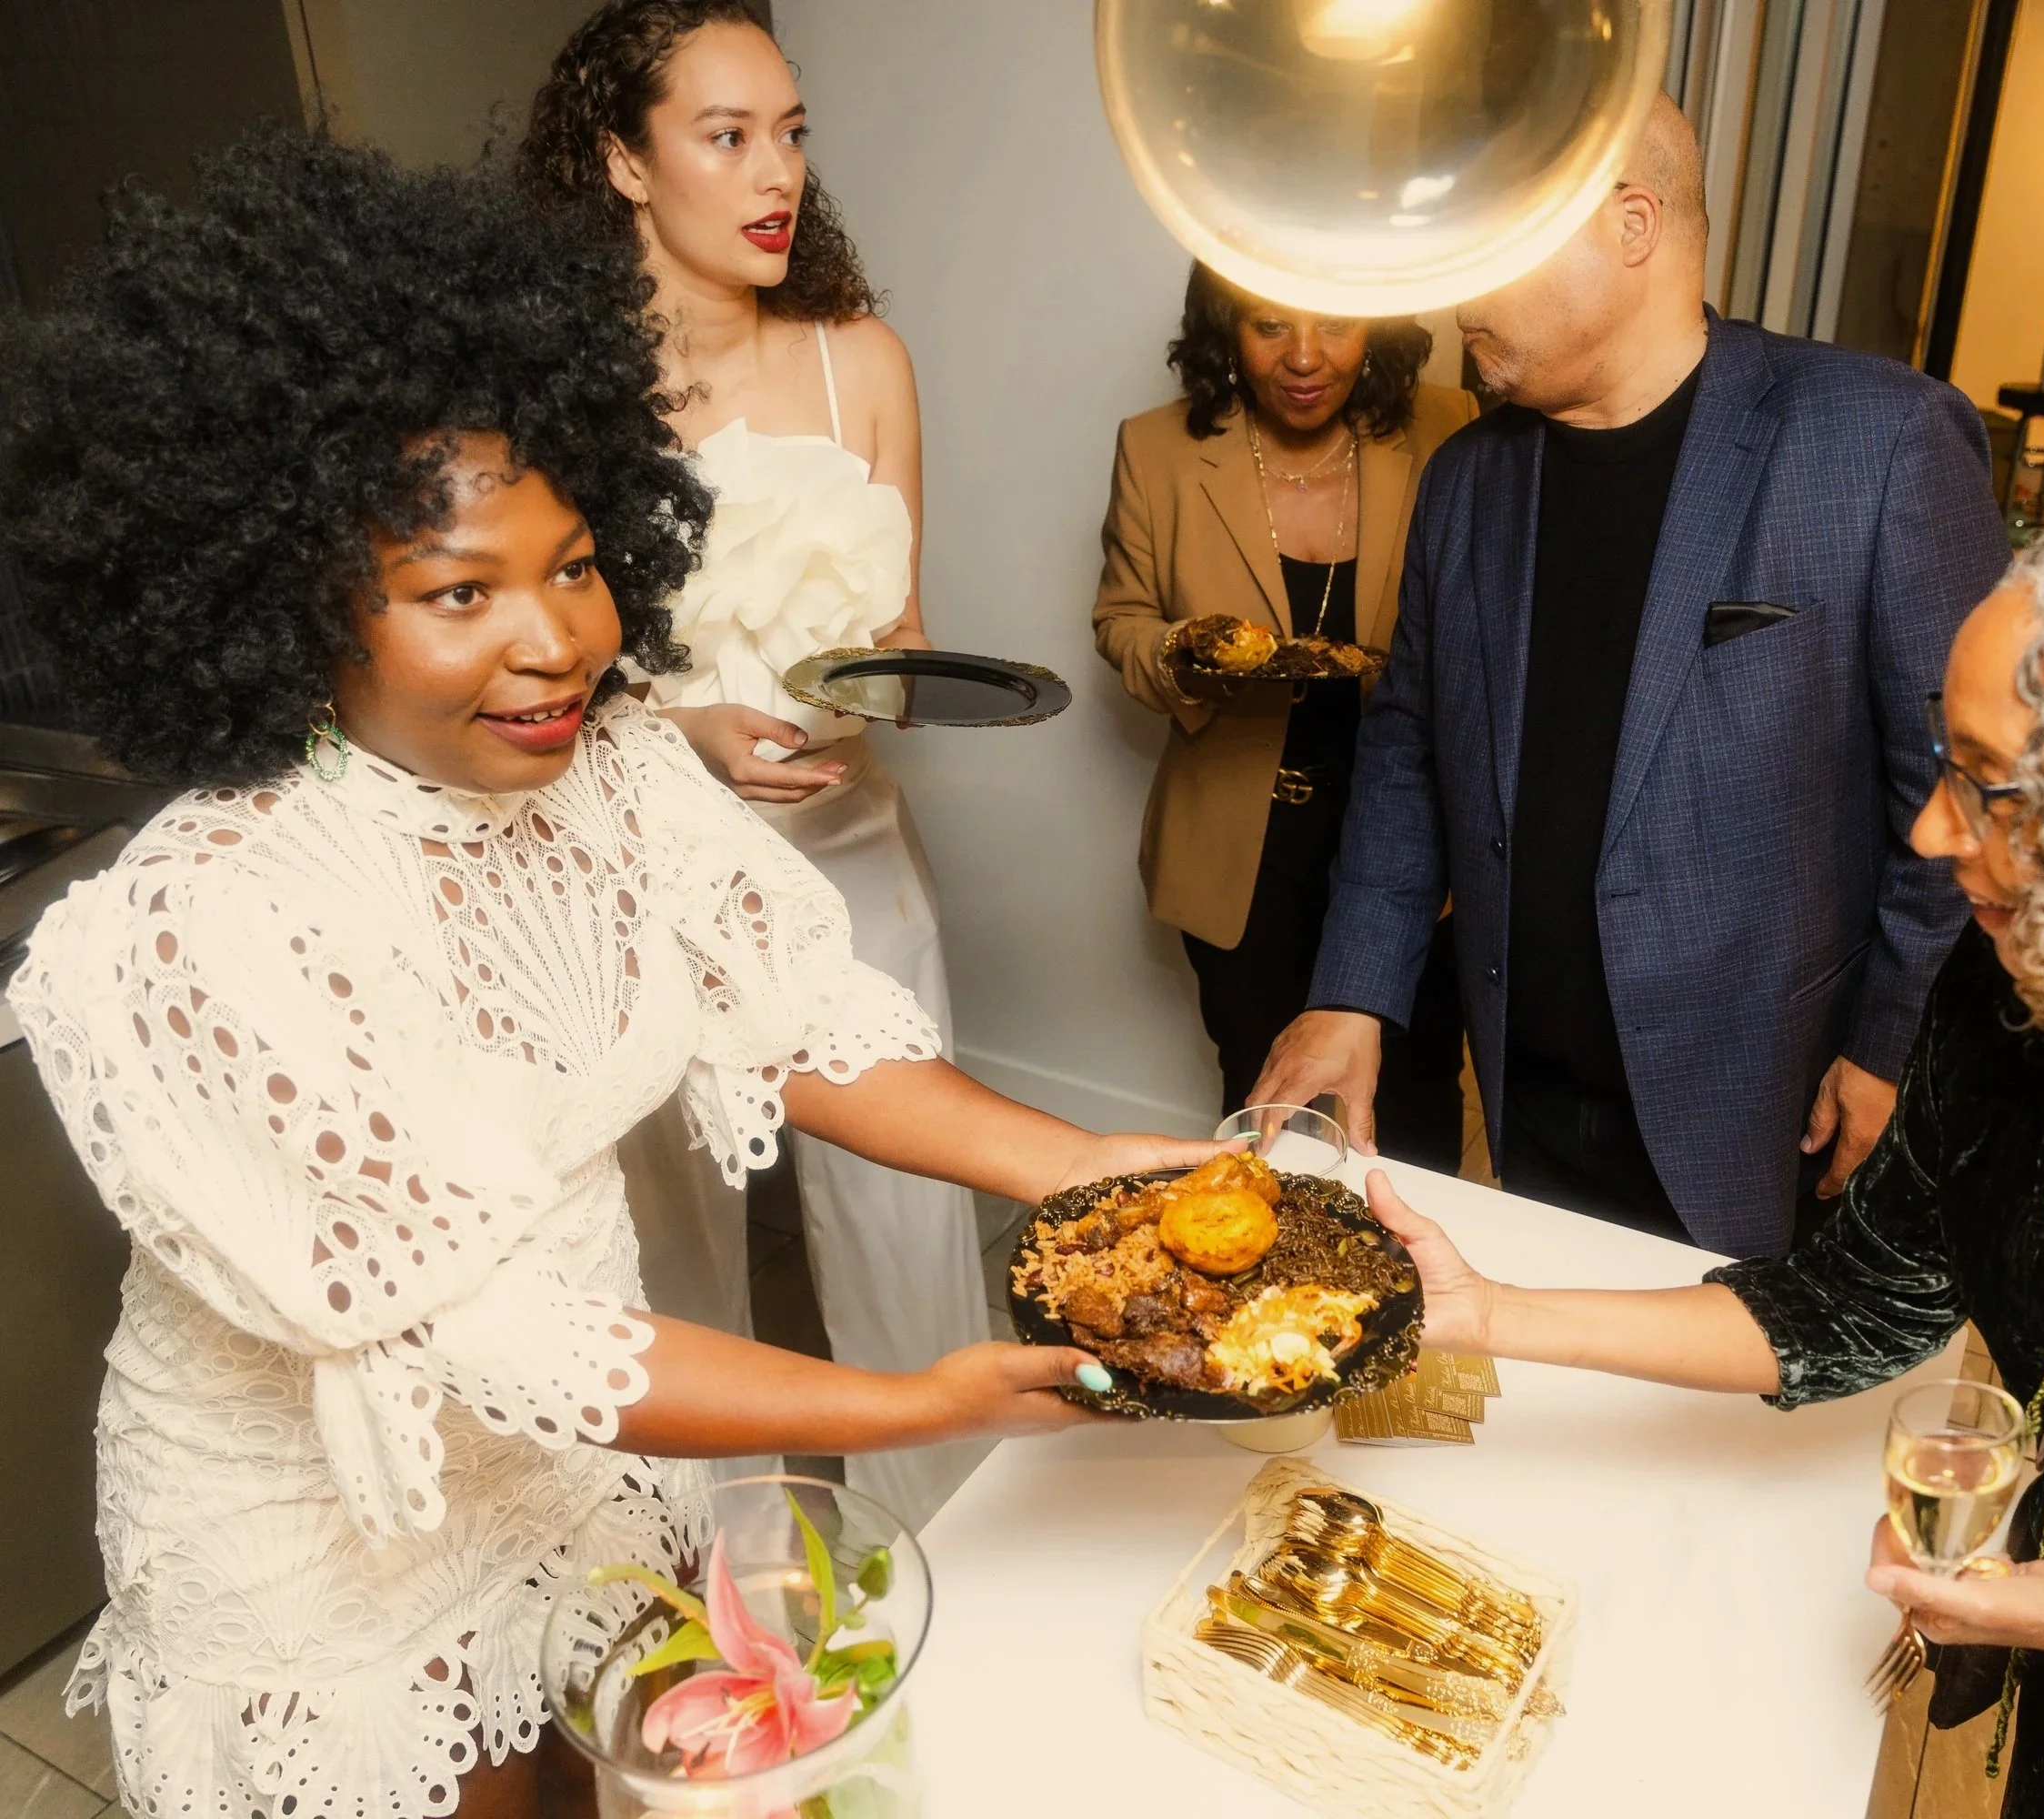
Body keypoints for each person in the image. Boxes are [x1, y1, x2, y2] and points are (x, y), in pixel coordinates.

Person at [0, 134, 1211, 1819]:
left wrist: (1077, 1165)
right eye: (456, 592)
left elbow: (797, 1014)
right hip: (322, 1543)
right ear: (290, 605)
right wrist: (906, 1400)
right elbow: (478, 1329)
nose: (555, 639)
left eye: (572, 563)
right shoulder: (202, 923)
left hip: (566, 1465)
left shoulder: (617, 765)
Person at [1368, 454, 2044, 1815]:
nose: (1927, 829)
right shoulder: (2022, 1001)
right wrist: (1485, 1310)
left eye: (1990, 787)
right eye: (1939, 760)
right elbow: (1846, 1305)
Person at [1253, 95, 2012, 1256]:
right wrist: (1350, 989)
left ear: (1633, 226)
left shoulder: (1881, 442)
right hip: (1527, 1100)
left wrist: (1894, 1049)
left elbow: (1974, 791)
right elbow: (1408, 747)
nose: (1455, 296)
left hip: (1776, 1112)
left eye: (1487, 252)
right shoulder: (1465, 477)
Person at [522, 0, 989, 1523]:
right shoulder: (549, 400)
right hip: (631, 883)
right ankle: (705, 1629)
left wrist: (871, 696)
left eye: (789, 132)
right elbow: (509, 681)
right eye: (726, 136)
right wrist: (684, 732)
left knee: (915, 1237)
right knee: (667, 1274)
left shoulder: (868, 363)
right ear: (624, 161)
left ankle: (960, 1569)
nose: (774, 170)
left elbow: (905, 627)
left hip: (848, 858)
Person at [1093, 263, 1477, 1170]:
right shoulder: (1157, 449)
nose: (1304, 359)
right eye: (1269, 326)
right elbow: (1120, 622)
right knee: (1267, 1106)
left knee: (1414, 1098)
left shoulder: (1447, 425)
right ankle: (1276, 1302)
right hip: (1242, 850)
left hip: (1410, 836)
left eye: (1335, 326)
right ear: (1224, 330)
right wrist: (1184, 648)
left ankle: (1416, 1298)